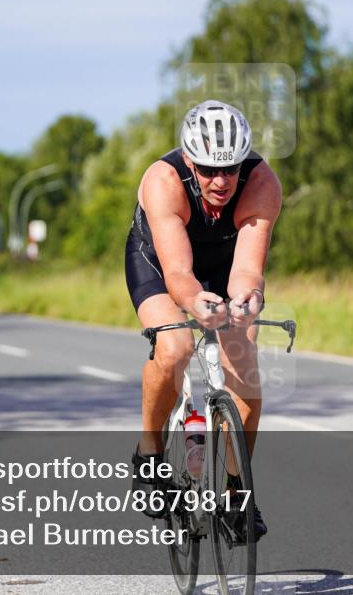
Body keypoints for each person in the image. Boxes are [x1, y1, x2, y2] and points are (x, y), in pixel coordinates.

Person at [125, 100, 282, 539]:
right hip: (159, 262)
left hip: (225, 262)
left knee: (243, 366)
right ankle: (149, 452)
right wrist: (195, 304)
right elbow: (178, 274)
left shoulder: (263, 182)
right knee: (174, 347)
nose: (221, 181)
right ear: (189, 161)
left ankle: (235, 492)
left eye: (230, 169)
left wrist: (247, 300)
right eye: (210, 170)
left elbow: (248, 269)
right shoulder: (163, 180)